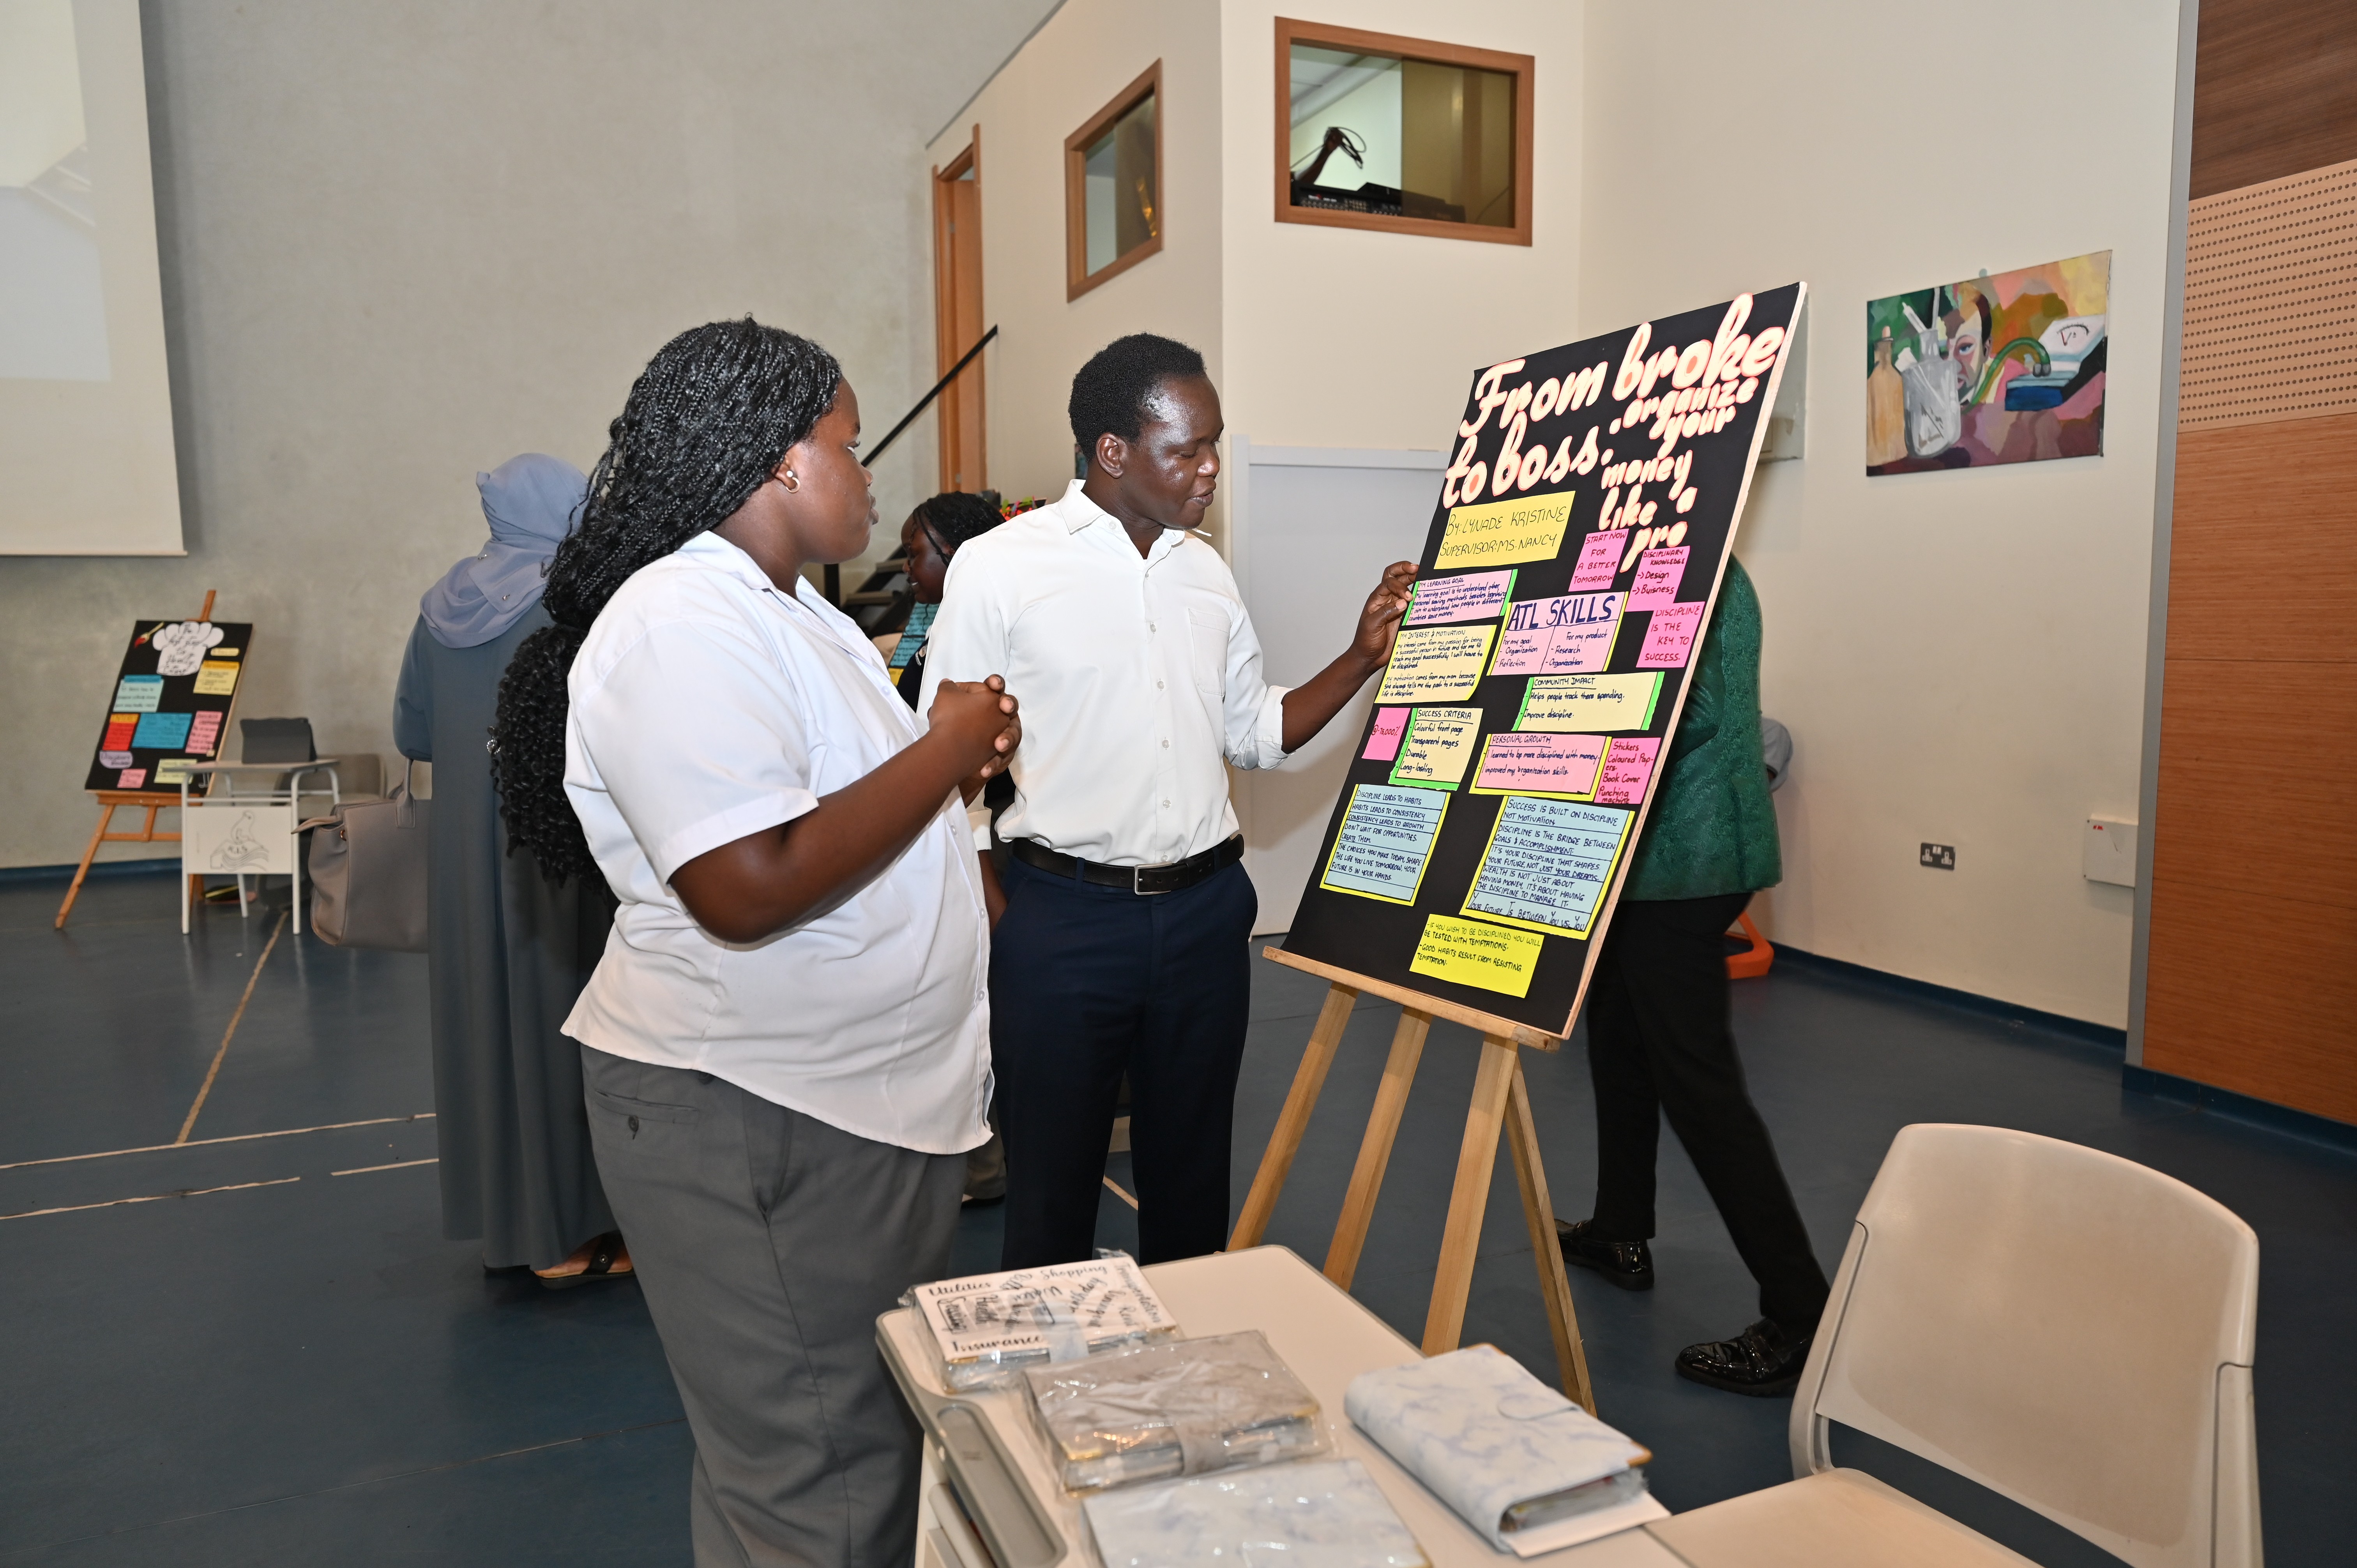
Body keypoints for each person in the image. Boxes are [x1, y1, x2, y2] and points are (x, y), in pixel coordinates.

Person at [488, 318, 1021, 1566]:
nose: (869, 477)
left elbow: (839, 812)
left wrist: (948, 774)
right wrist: (943, 748)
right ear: (779, 460)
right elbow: (746, 884)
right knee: (821, 1481)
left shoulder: (792, 613)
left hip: (848, 1102)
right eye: (849, 445)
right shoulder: (677, 620)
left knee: (840, 1454)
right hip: (757, 1110)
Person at [921, 332, 1415, 1270]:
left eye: (1214, 444)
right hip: (1063, 919)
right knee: (1052, 1198)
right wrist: (998, 914)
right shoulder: (1000, 567)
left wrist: (1362, 656)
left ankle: (1193, 1346)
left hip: (1204, 915)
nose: (1211, 468)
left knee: (1192, 1189)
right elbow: (944, 762)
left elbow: (1254, 732)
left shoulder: (1205, 573)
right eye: (1187, 449)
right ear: (1113, 451)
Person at [1554, 556, 1830, 1396]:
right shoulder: (1680, 550)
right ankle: (1619, 1227)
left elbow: (1689, 713)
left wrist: (1551, 715)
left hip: (1686, 858)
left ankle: (1801, 1315)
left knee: (1698, 1082)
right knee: (1619, 1037)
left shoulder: (1676, 555)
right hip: (1659, 856)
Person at [393, 454, 626, 1287]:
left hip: (464, 857)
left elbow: (413, 732)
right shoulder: (575, 602)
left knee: (488, 1028)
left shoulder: (439, 609)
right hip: (554, 846)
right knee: (564, 1023)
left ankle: (510, 1224)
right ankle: (568, 1232)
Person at [891, 489, 1011, 1204]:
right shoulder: (928, 627)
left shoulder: (983, 638)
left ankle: (983, 1163)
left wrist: (985, 875)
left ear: (958, 555)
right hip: (943, 838)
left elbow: (982, 769)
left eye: (917, 554)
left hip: (983, 845)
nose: (908, 569)